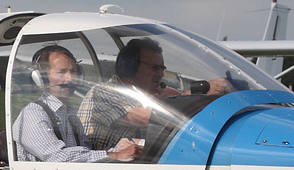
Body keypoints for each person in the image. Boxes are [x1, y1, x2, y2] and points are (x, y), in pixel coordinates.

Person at [78, 37, 234, 151]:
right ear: (130, 66)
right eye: (155, 68)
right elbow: (145, 117)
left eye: (162, 68)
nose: (160, 74)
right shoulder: (104, 92)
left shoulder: (153, 96)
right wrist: (194, 95)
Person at [12, 45, 137, 162]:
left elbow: (84, 154)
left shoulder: (70, 114)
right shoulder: (33, 113)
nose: (70, 78)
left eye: (74, 71)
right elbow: (56, 157)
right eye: (62, 72)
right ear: (42, 78)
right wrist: (114, 155)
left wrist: (120, 150)